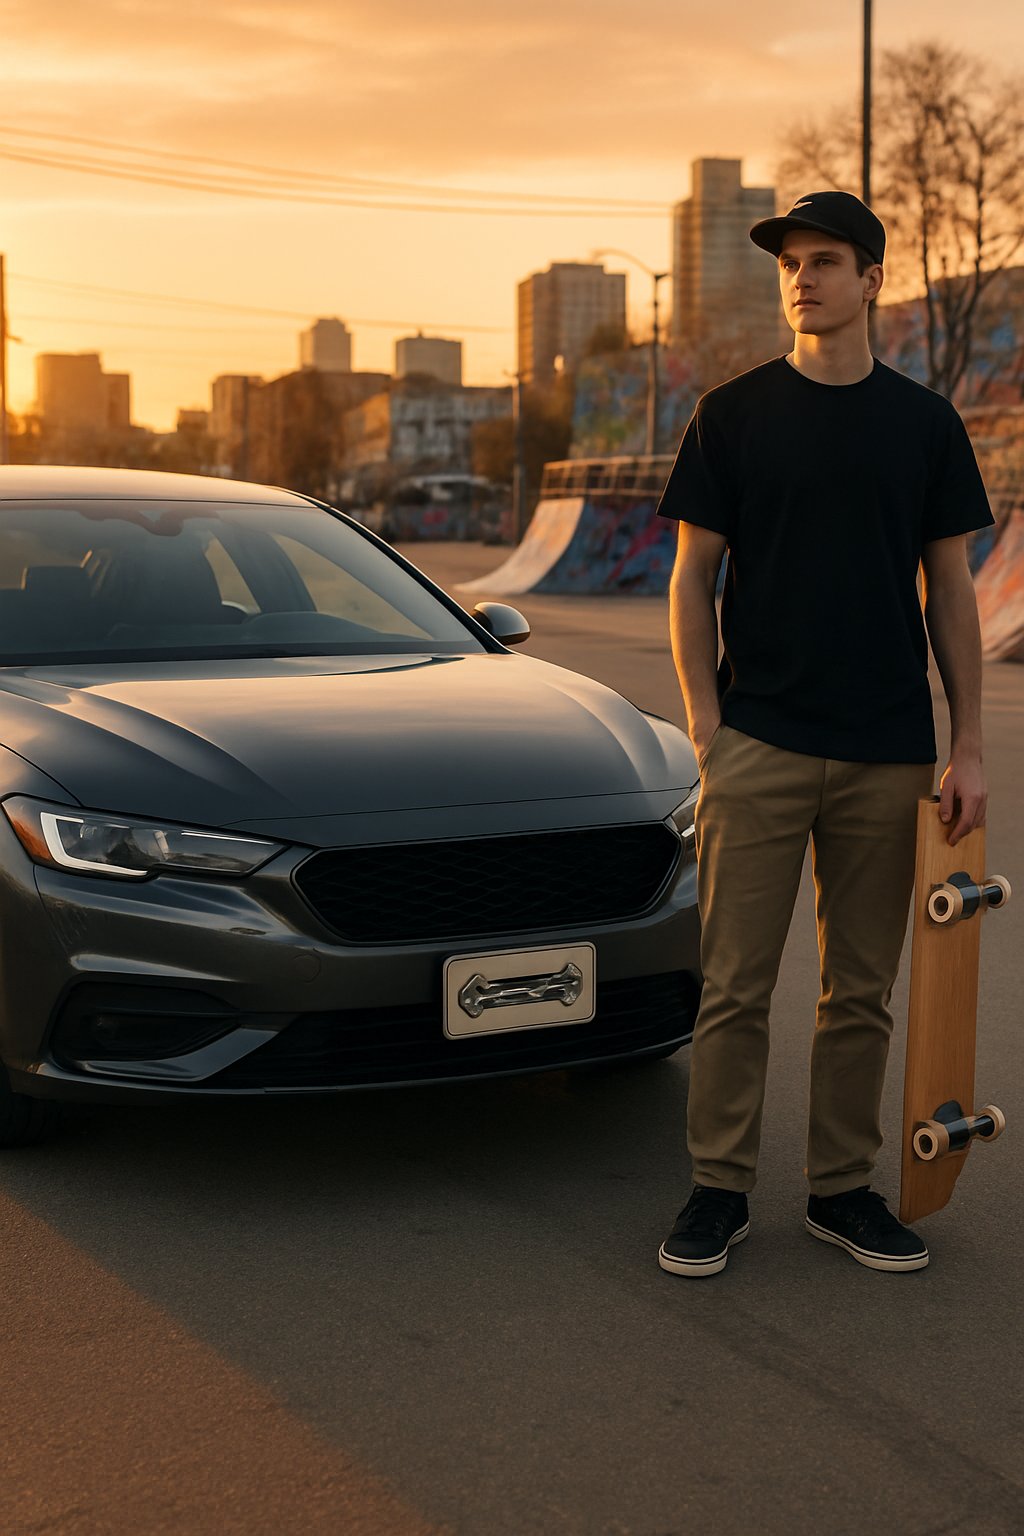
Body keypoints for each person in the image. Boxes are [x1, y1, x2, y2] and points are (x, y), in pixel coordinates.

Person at [655, 191, 994, 1276]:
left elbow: (950, 590)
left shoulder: (924, 425)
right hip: (758, 739)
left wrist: (968, 745)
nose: (802, 278)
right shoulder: (733, 414)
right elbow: (692, 578)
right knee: (734, 985)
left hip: (887, 749)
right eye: (790, 263)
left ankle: (841, 1190)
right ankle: (718, 1188)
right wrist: (707, 725)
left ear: (871, 280)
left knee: (861, 992)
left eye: (825, 261)